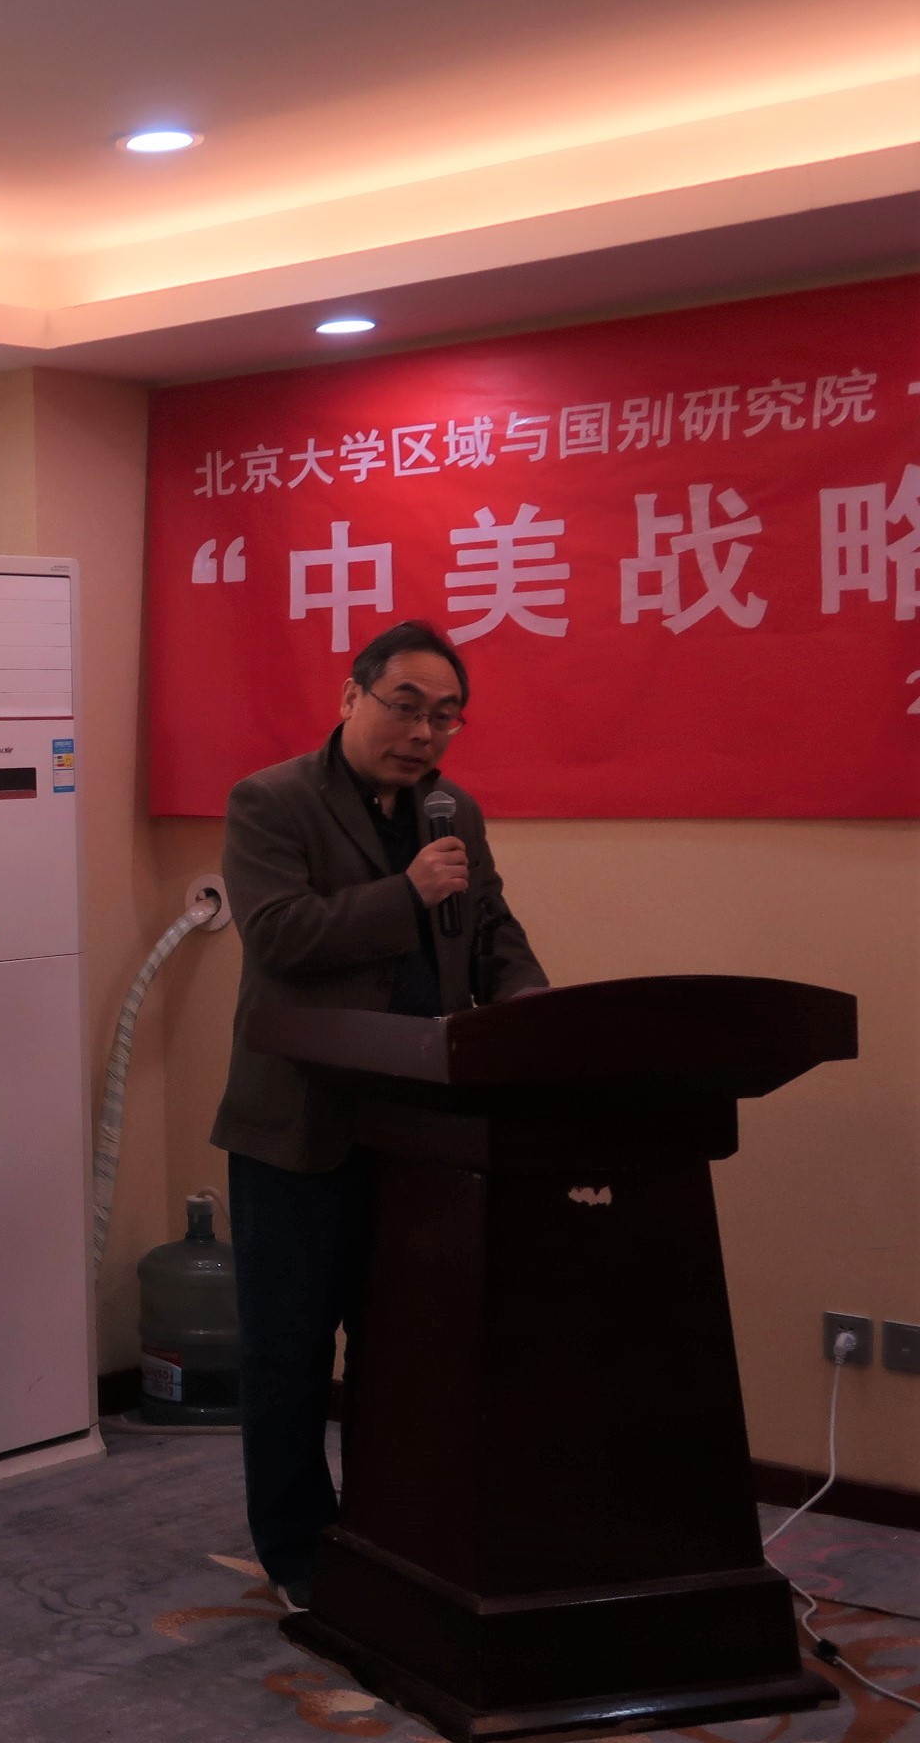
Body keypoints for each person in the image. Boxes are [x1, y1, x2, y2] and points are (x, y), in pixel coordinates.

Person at [210, 618, 548, 1610]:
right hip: (300, 1124)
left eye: (445, 715)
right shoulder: (271, 801)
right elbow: (281, 937)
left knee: (404, 1346)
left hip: (423, 1127)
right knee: (290, 1351)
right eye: (405, 706)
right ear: (352, 696)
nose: (424, 732)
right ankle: (296, 1553)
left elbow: (491, 928)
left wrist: (530, 1007)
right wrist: (405, 894)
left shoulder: (452, 811)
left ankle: (388, 1527)